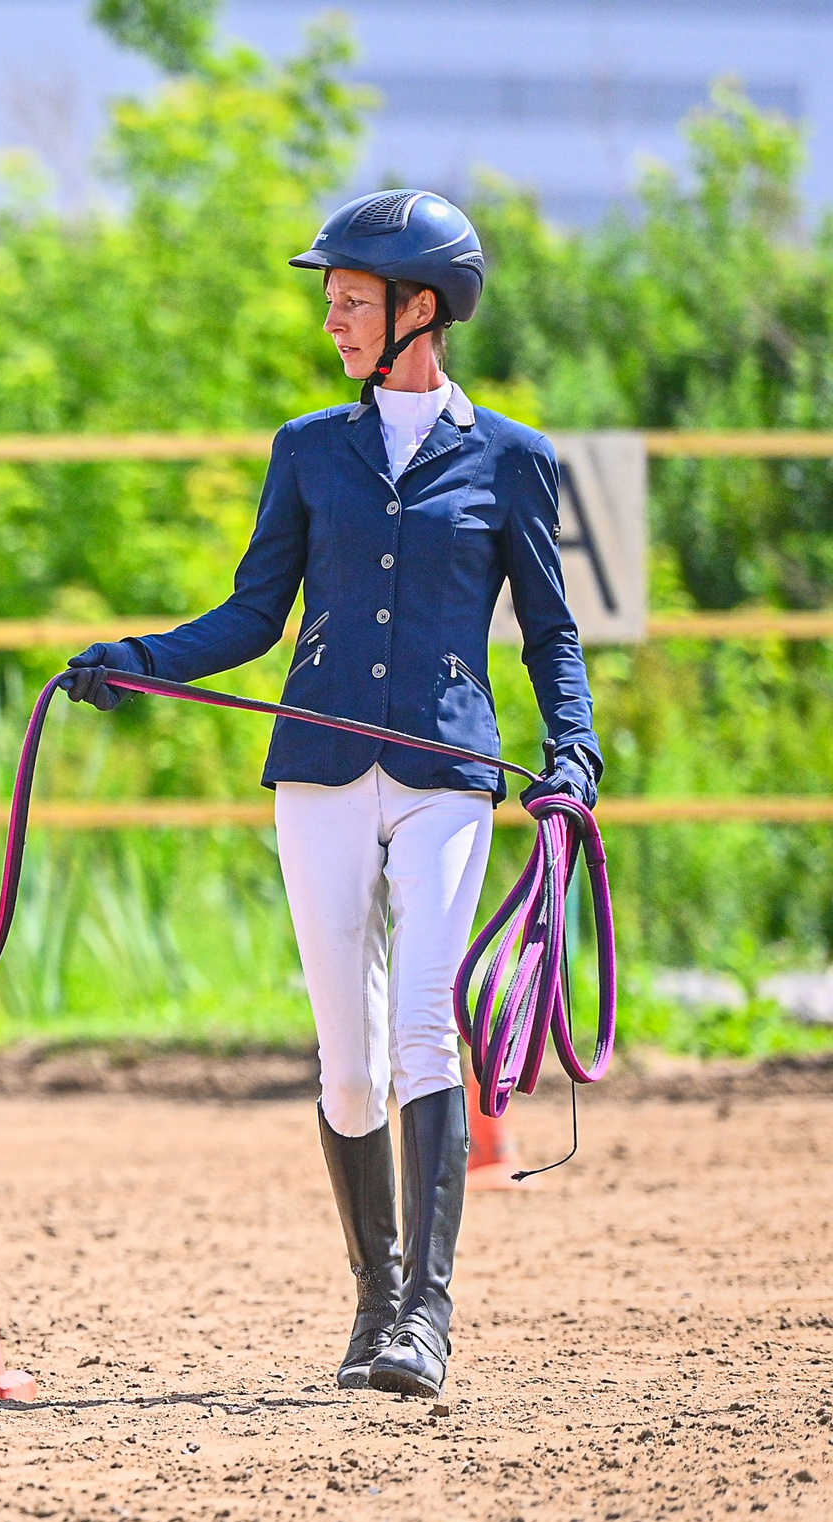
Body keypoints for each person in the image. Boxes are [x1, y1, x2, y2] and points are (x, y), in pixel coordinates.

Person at [64, 190, 601, 1398]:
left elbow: (552, 636)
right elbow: (257, 612)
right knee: (346, 1061)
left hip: (448, 774)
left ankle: (428, 1314)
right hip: (317, 768)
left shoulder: (514, 460)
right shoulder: (309, 448)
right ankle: (372, 1298)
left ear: (422, 312)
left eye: (351, 302)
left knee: (422, 1026)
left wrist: (573, 753)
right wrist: (138, 658)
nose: (332, 322)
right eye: (330, 302)